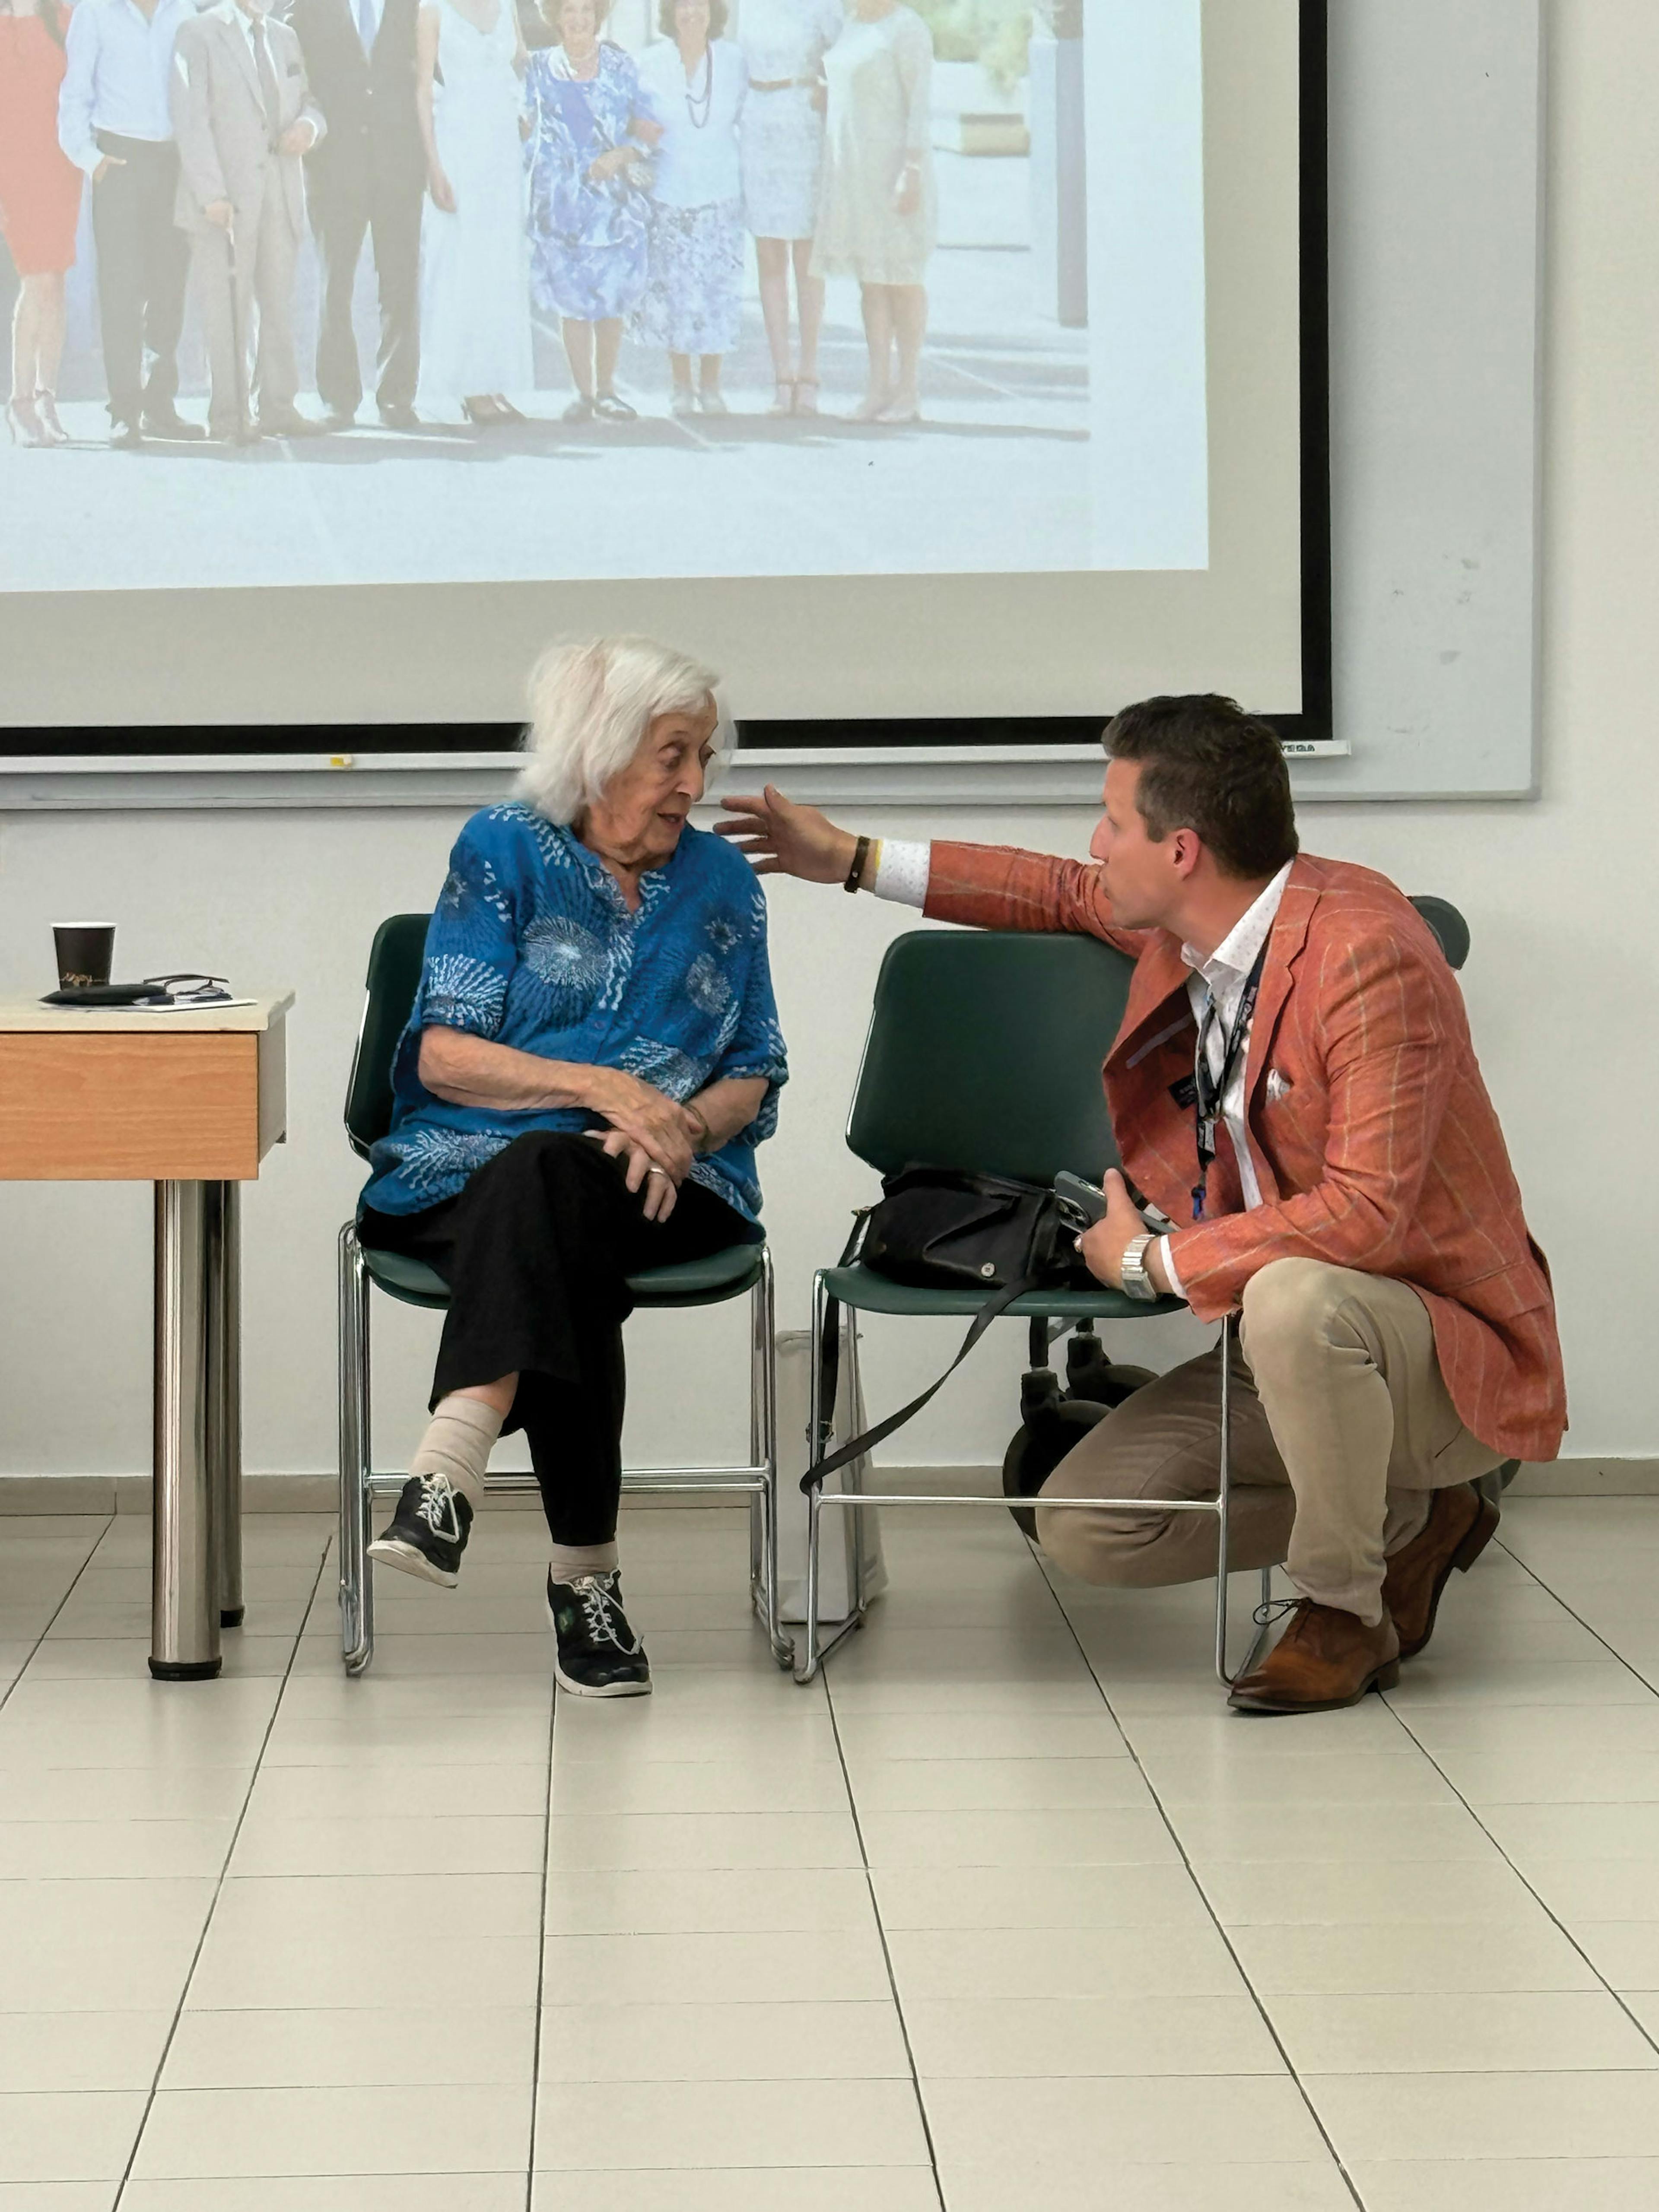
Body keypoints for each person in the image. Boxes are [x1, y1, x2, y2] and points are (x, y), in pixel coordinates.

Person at [718, 695, 1567, 1717]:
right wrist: (850, 856)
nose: (1094, 842)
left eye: (1113, 819)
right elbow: (1046, 888)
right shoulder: (1191, 926)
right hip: (1291, 1348)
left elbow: (1366, 1216)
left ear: (1181, 850)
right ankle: (1411, 1520)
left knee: (1297, 1294)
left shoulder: (1362, 954)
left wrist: (1147, 1265)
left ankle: (1342, 1609)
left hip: (1428, 1346)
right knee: (1086, 1526)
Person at [358, 636, 788, 1697]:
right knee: (549, 1203)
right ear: (595, 753)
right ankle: (584, 1586)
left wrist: (680, 1127)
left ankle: (449, 1464)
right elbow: (442, 1055)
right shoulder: (502, 848)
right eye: (673, 754)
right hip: (463, 1174)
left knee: (551, 1202)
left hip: (672, 1188)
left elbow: (757, 1067)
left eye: (703, 755)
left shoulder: (724, 880)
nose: (696, 782)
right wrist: (607, 1092)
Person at [170, 0, 325, 443]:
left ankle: (278, 406)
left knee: (278, 306)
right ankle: (229, 415)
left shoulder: (284, 36)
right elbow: (191, 120)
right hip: (225, 203)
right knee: (227, 312)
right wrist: (211, 194)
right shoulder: (198, 34)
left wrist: (310, 129)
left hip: (281, 196)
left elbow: (309, 101)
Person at [57, 0, 202, 445]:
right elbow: (75, 91)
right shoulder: (96, 12)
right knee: (120, 288)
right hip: (119, 161)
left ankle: (160, 404)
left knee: (169, 286)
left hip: (171, 161)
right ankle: (125, 409)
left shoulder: (184, 12)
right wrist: (90, 159)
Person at [284, 0, 426, 432]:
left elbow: (434, 69)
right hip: (335, 167)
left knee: (400, 284)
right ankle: (338, 397)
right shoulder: (308, 8)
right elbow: (291, 70)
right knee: (335, 284)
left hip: (398, 163)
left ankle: (397, 395)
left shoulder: (414, 6)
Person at [525, 0, 657, 422]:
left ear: (597, 15)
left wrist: (620, 155)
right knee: (571, 301)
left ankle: (607, 391)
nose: (578, 18)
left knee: (610, 297)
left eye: (586, 9)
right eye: (569, 10)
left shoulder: (620, 66)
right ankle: (583, 394)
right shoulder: (539, 68)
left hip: (612, 203)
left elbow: (649, 128)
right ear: (556, 17)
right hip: (561, 203)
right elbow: (526, 131)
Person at [813, 0, 934, 423]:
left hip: (894, 172)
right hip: (854, 173)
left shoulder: (907, 28)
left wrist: (913, 168)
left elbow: (919, 103)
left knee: (902, 279)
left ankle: (909, 390)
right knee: (873, 282)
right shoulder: (851, 24)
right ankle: (878, 388)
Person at [412, 0, 533, 424]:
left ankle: (494, 379)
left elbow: (522, 64)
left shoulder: (507, 7)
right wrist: (433, 165)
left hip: (501, 144)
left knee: (499, 262)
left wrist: (525, 108)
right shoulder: (433, 9)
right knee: (462, 262)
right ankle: (469, 387)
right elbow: (424, 87)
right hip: (458, 143)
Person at [633, 0, 744, 417]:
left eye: (700, 4)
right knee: (676, 292)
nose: (692, 12)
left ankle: (712, 386)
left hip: (720, 190)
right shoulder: (651, 62)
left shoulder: (733, 61)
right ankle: (681, 385)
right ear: (671, 12)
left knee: (716, 292)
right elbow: (631, 116)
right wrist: (637, 128)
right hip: (669, 191)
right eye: (683, 4)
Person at [736, 0, 840, 416]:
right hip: (759, 122)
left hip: (803, 120)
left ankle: (810, 372)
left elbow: (847, 50)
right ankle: (782, 374)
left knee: (808, 256)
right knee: (769, 251)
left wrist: (828, 86)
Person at [0, 0, 82, 446]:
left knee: (57, 281)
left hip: (60, 167)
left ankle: (48, 397)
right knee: (36, 280)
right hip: (15, 174)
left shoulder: (63, 16)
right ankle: (20, 403)